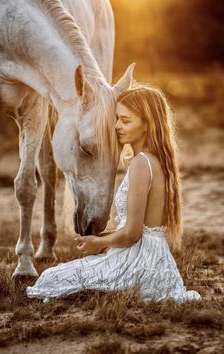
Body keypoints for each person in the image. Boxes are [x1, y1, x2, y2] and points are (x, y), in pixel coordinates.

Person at [26, 85, 201, 303]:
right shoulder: (156, 160)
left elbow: (133, 234)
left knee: (51, 277)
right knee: (60, 276)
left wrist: (97, 244)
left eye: (126, 121)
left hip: (137, 259)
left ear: (148, 124)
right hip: (155, 258)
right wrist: (105, 237)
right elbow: (141, 227)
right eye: (117, 118)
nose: (117, 126)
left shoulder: (141, 163)